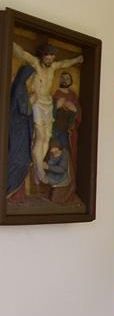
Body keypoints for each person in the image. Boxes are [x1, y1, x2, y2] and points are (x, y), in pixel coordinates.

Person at [12, 42, 83, 183]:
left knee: (47, 137)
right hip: (38, 102)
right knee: (40, 135)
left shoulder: (53, 67)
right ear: (42, 56)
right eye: (47, 57)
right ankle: (39, 168)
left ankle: (38, 168)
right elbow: (21, 53)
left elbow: (64, 63)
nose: (50, 60)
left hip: (48, 103)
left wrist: (77, 59)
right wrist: (10, 43)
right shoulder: (35, 63)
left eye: (52, 57)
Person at [6, 64, 35, 201]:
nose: (32, 80)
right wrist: (32, 101)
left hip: (21, 129)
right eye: (31, 77)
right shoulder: (20, 88)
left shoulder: (20, 87)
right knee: (20, 160)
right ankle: (7, 190)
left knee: (20, 160)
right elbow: (24, 110)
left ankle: (8, 190)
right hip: (19, 131)